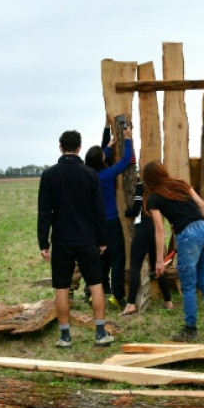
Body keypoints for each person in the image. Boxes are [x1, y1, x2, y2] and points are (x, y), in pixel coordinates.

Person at [38, 130, 114, 347]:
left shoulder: (49, 175)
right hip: (88, 238)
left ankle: (65, 337)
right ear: (79, 148)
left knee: (62, 287)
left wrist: (43, 243)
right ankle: (100, 333)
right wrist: (102, 240)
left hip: (62, 240)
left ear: (60, 148)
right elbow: (98, 211)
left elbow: (44, 212)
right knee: (96, 284)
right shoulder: (90, 174)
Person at [141, 160, 204, 342]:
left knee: (188, 285)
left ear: (147, 180)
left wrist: (159, 261)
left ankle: (190, 330)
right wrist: (201, 227)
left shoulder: (154, 197)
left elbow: (160, 229)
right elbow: (202, 205)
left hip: (187, 235)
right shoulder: (181, 185)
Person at [83, 126, 133, 309]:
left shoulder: (87, 175)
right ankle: (117, 295)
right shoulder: (107, 174)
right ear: (102, 160)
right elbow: (126, 161)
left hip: (93, 224)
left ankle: (94, 293)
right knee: (117, 258)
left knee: (99, 259)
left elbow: (99, 158)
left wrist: (108, 147)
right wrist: (128, 139)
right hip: (111, 222)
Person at [120, 180, 175, 315]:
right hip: (155, 230)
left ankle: (130, 304)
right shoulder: (159, 189)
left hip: (143, 230)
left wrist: (127, 212)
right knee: (157, 266)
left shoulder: (141, 186)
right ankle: (168, 301)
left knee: (135, 266)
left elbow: (135, 210)